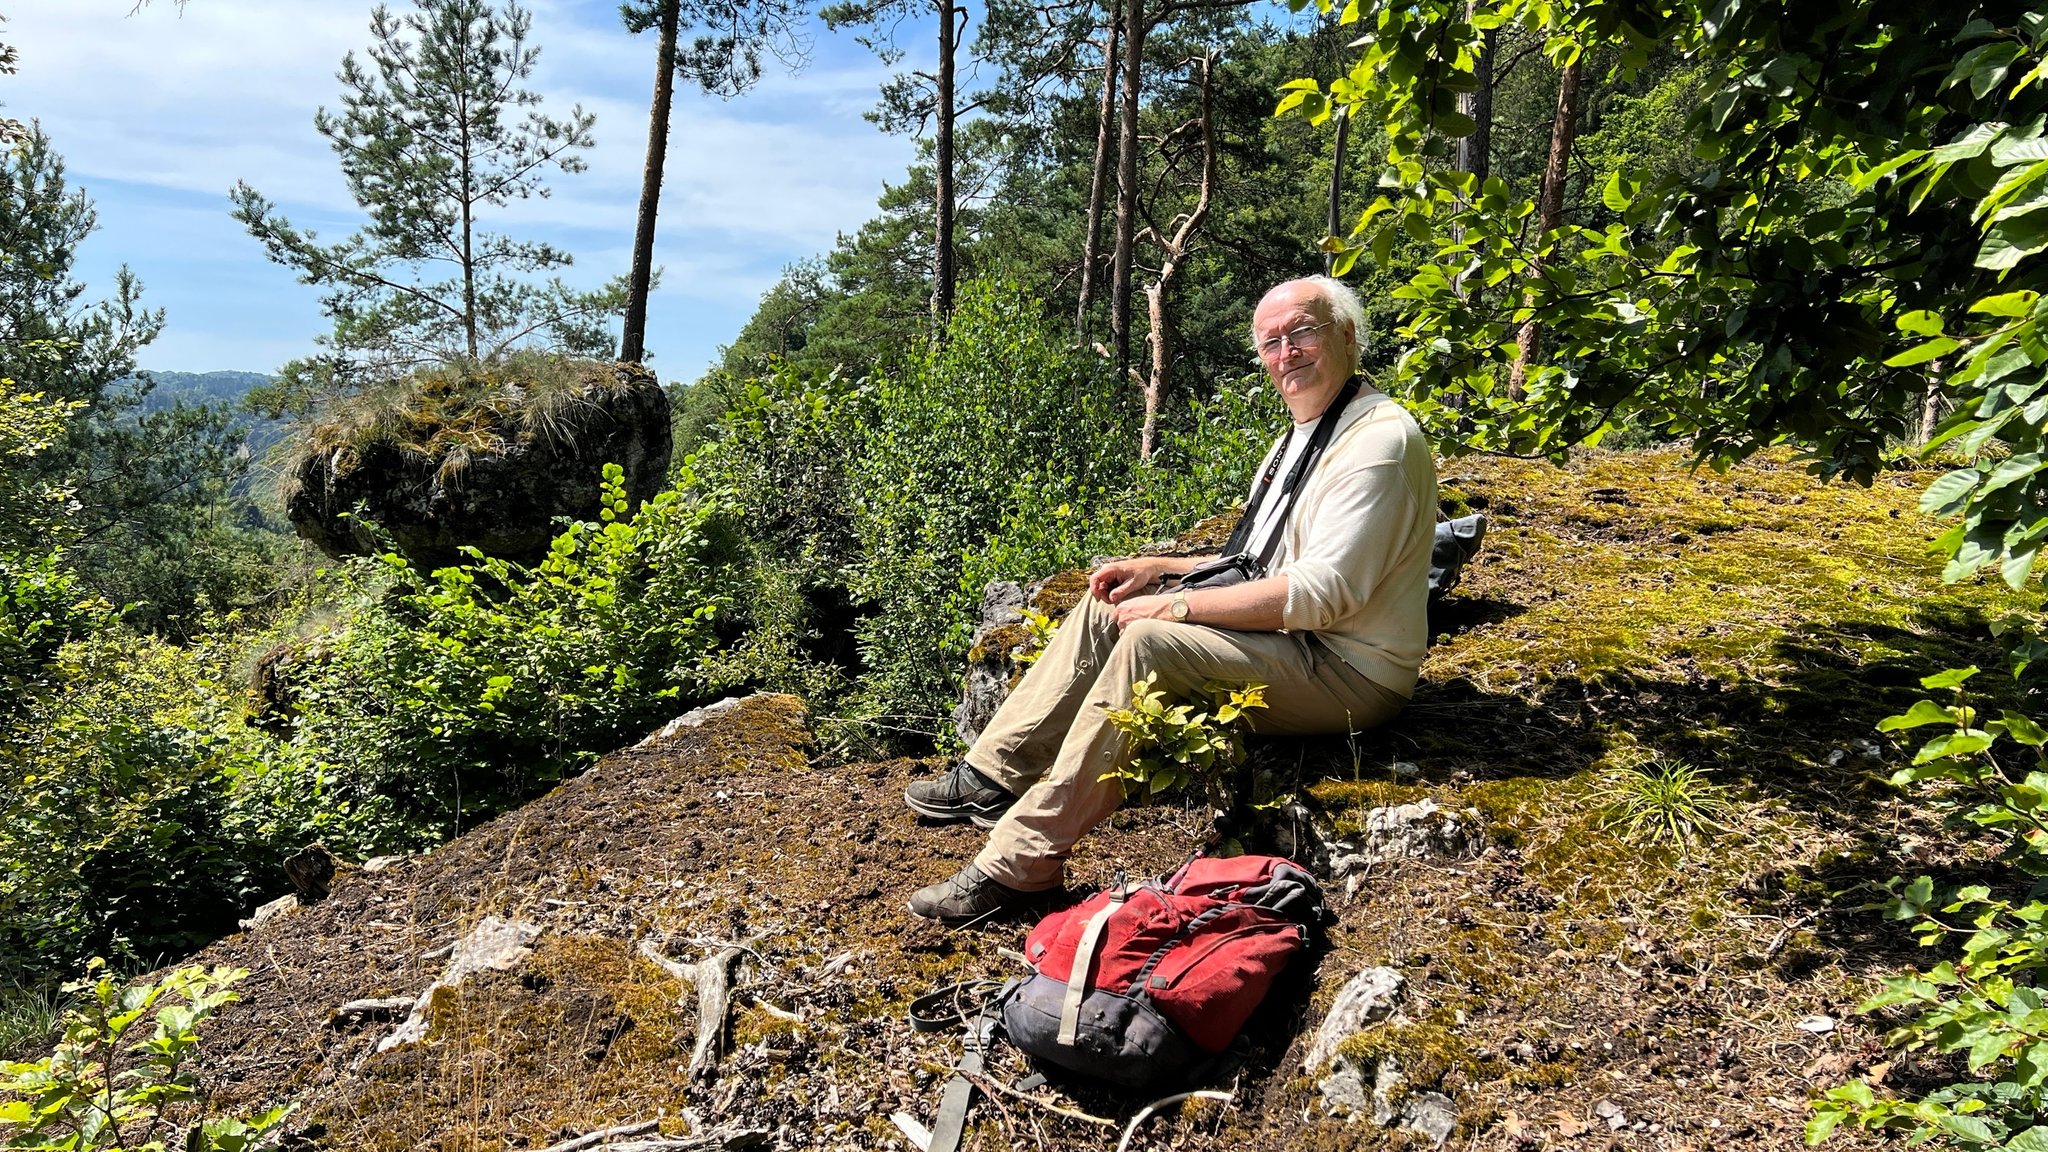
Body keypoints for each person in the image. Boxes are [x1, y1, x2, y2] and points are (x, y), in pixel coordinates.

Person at [902, 274, 1438, 923]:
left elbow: (1323, 595)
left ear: (1348, 336)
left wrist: (1174, 606)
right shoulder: (1310, 431)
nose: (1286, 353)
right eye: (1271, 342)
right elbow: (1258, 562)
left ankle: (1024, 862)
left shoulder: (1378, 443)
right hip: (1297, 643)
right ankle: (995, 774)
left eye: (1302, 333)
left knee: (1152, 642)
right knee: (1108, 603)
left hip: (1350, 670)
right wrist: (1161, 570)